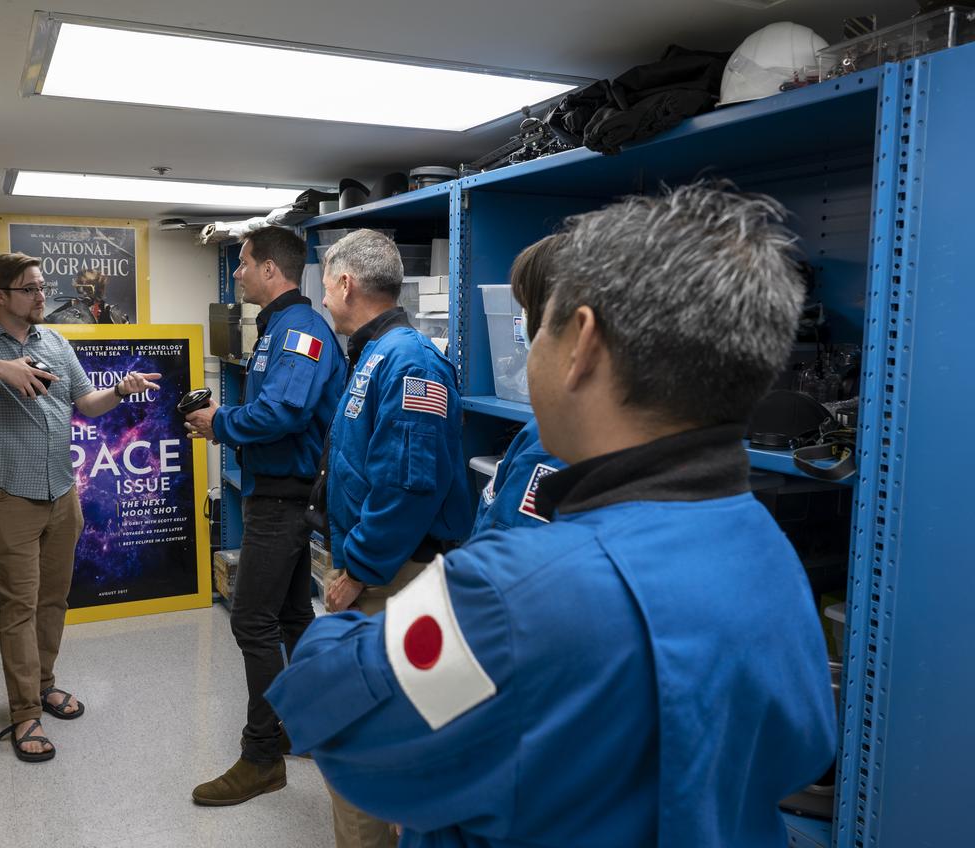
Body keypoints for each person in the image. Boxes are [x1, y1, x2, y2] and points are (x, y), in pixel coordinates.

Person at [267, 184, 838, 846]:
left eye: (537, 326)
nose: (526, 349)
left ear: (582, 345)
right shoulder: (764, 550)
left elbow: (332, 712)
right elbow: (799, 752)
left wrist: (364, 620)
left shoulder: (513, 591)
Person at [0, 252, 159, 763]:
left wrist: (120, 391)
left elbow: (85, 404)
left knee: (53, 600)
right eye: (31, 289)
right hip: (7, 497)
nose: (43, 297)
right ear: (0, 296)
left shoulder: (56, 341)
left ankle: (43, 684)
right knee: (18, 608)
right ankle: (24, 715)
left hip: (63, 494)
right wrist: (4, 369)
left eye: (42, 287)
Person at [305, 229, 471, 847]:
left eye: (325, 284)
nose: (324, 298)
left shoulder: (409, 360)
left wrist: (359, 571)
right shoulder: (375, 354)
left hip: (399, 577)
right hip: (389, 571)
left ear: (346, 283)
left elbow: (409, 485)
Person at [182, 227, 344, 805]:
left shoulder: (300, 330)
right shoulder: (278, 326)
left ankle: (262, 755)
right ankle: (302, 727)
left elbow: (286, 410)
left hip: (284, 496)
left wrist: (220, 424)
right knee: (293, 616)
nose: (237, 274)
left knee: (251, 620)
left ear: (271, 269)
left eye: (243, 264)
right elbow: (275, 404)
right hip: (279, 491)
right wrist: (226, 416)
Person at [471, 241, 569, 535]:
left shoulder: (560, 441)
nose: (521, 319)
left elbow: (508, 555)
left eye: (525, 307)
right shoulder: (544, 427)